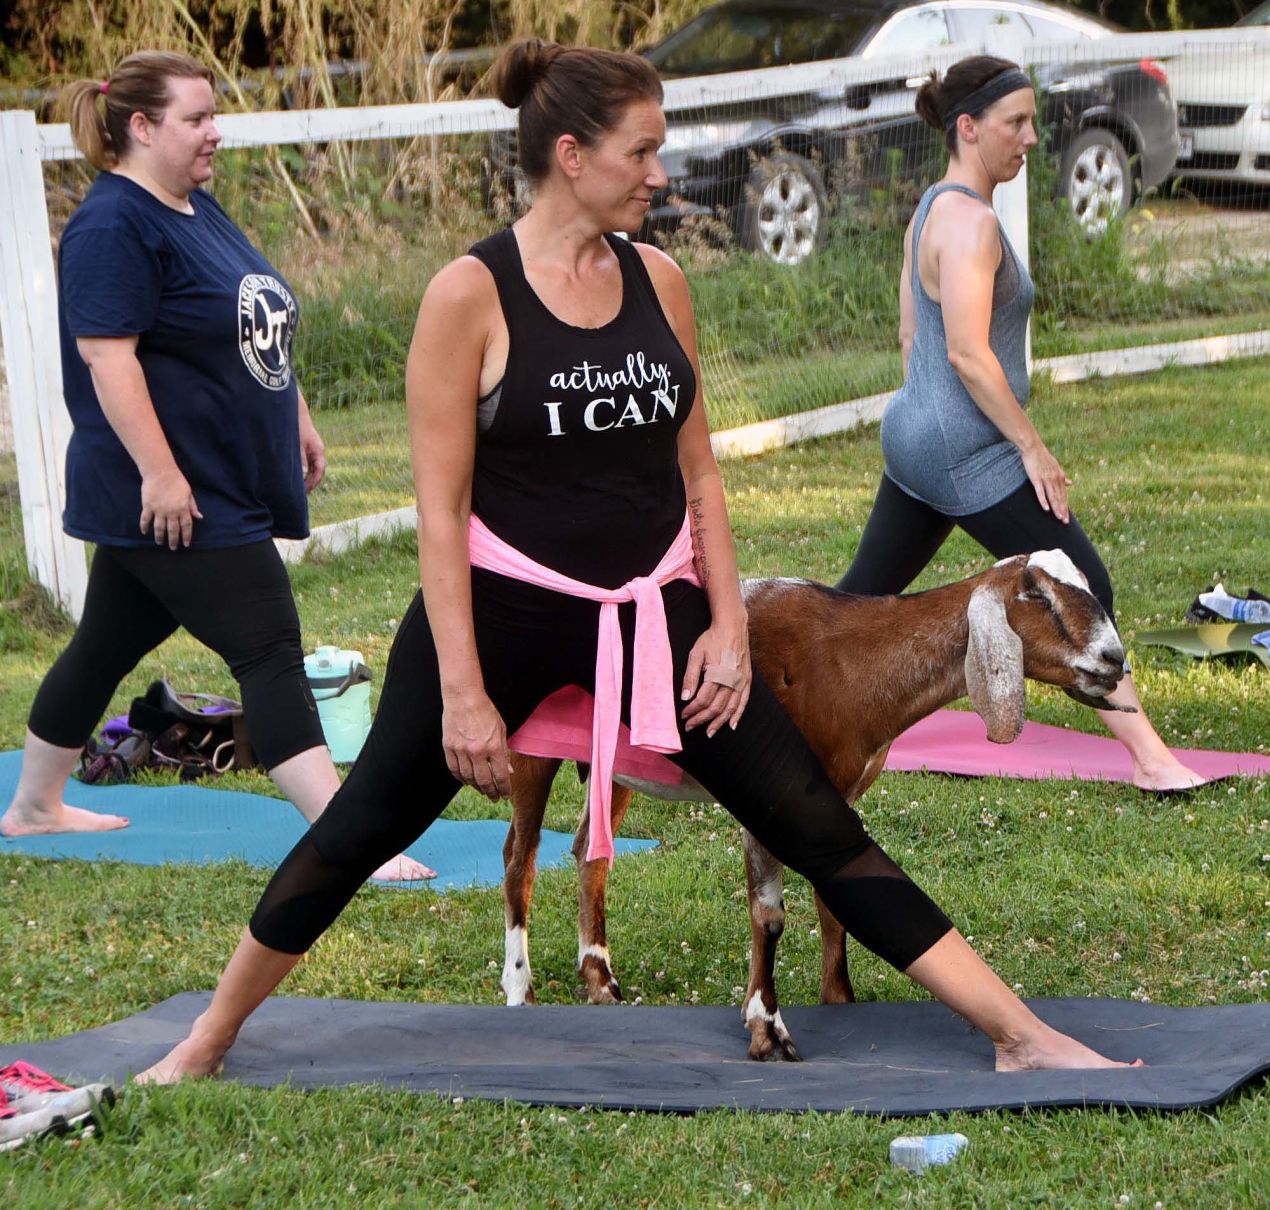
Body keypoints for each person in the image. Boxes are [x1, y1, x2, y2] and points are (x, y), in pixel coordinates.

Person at [137, 41, 1141, 1084]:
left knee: (816, 823)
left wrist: (726, 626)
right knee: (356, 830)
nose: (662, 173)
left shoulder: (660, 280)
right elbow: (438, 518)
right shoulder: (466, 297)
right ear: (571, 155)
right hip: (499, 615)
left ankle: (1018, 1035)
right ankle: (206, 1041)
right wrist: (467, 695)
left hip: (656, 614)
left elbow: (699, 477)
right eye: (643, 151)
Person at [0, 51, 433, 882]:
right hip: (172, 495)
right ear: (141, 126)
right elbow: (107, 359)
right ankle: (347, 842)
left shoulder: (194, 207)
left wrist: (294, 413)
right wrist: (161, 477)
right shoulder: (112, 225)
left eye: (212, 115)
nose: (214, 132)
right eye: (196, 118)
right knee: (269, 647)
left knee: (102, 645)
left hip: (212, 481)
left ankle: (33, 807)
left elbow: (252, 317)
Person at [836, 56, 1203, 792]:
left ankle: (760, 692)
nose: (1031, 137)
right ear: (967, 128)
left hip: (919, 435)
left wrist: (930, 416)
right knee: (1079, 586)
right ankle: (1153, 761)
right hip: (962, 450)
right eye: (1016, 122)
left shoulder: (933, 207)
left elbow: (914, 336)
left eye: (1032, 121)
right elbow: (969, 354)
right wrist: (1030, 448)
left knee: (860, 601)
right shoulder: (970, 224)